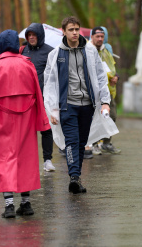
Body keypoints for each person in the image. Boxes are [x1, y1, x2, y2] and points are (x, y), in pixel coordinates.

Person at [0, 29, 50, 218]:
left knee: (3, 159)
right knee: (26, 158)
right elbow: (38, 95)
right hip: (25, 119)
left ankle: (9, 205)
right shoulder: (28, 65)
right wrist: (42, 121)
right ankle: (26, 203)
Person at [44, 16, 118, 194]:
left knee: (82, 142)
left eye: (77, 29)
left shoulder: (90, 51)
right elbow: (50, 82)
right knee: (72, 141)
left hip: (87, 105)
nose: (75, 33)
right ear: (64, 31)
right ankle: (74, 177)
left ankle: (76, 177)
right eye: (71, 29)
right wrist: (53, 109)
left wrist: (105, 102)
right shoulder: (55, 55)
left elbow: (101, 78)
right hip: (67, 105)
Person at [21, 23, 55, 172]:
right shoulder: (22, 50)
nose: (31, 37)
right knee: (27, 130)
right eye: (29, 35)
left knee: (46, 129)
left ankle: (47, 160)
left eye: (34, 35)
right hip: (26, 97)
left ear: (40, 35)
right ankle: (28, 160)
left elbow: (55, 75)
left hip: (44, 97)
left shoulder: (50, 52)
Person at [90, 27, 121, 154]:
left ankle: (106, 143)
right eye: (97, 36)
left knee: (111, 116)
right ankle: (93, 143)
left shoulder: (106, 50)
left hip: (108, 91)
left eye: (102, 36)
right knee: (94, 118)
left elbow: (111, 67)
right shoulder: (87, 50)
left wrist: (116, 77)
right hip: (93, 92)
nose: (100, 39)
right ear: (92, 37)